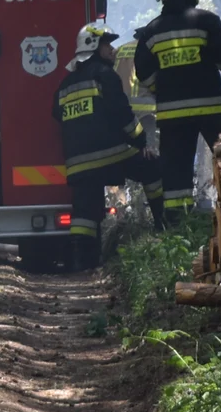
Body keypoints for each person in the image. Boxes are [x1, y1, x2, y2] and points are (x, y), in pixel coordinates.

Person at [134, 0, 221, 226]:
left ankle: (177, 227)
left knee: (175, 173)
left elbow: (144, 72)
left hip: (173, 115)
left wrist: (161, 88)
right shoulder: (207, 21)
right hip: (212, 110)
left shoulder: (151, 31)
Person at [54, 24, 166, 271]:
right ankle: (164, 226)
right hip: (112, 155)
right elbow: (122, 114)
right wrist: (141, 142)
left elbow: (56, 113)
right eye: (107, 44)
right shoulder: (105, 76)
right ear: (94, 46)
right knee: (152, 168)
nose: (112, 49)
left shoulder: (65, 84)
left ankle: (83, 263)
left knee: (85, 212)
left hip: (78, 164)